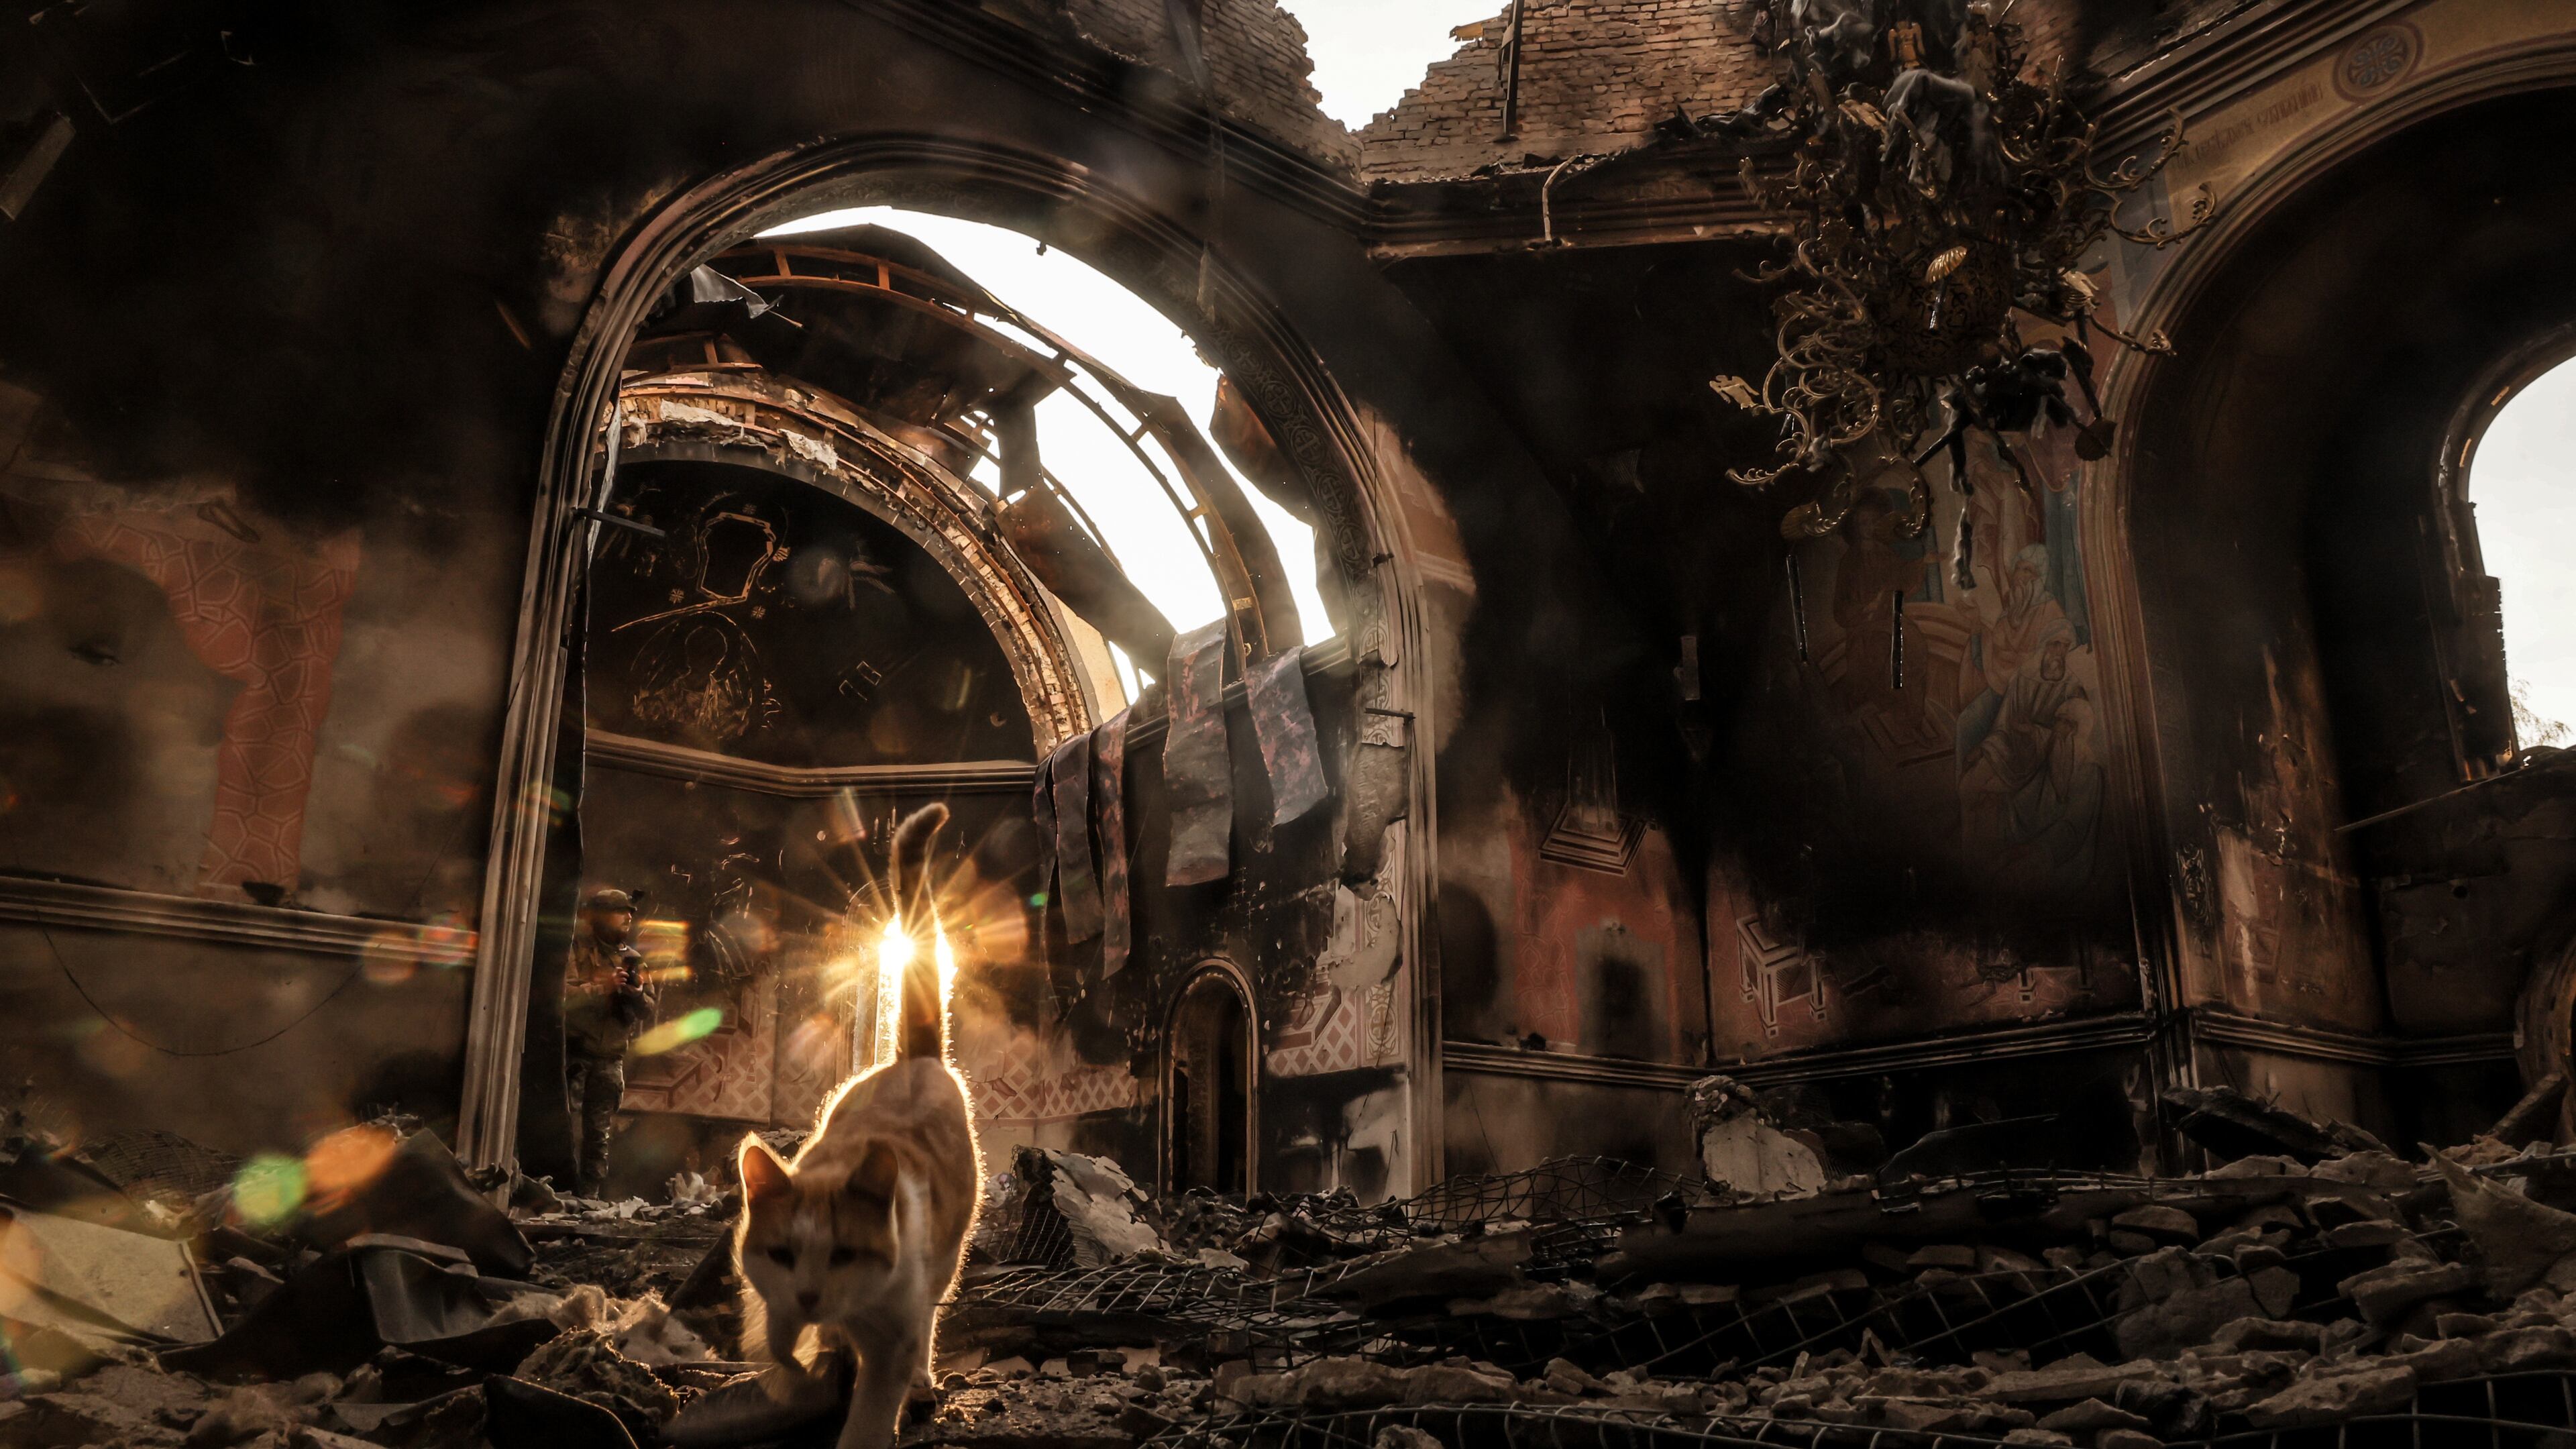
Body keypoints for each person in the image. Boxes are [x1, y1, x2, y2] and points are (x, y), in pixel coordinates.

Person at [562, 888, 655, 1197]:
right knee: (566, 1126)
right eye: (620, 911)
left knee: (598, 1134)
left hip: (609, 1058)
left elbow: (649, 1009)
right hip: (575, 1054)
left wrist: (635, 993)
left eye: (630, 912)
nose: (629, 917)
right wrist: (601, 987)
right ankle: (560, 1194)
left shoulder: (633, 959)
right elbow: (562, 998)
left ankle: (588, 1197)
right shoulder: (576, 949)